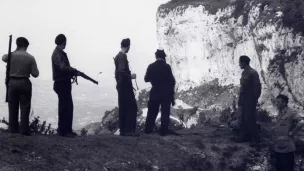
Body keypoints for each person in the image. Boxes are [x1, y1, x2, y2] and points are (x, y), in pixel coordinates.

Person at [2, 37, 39, 135]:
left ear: (17, 45)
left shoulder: (11, 55)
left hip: (12, 83)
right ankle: (24, 131)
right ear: (26, 46)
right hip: (25, 83)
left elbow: (3, 58)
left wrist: (14, 51)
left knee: (12, 107)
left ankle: (13, 130)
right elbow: (35, 74)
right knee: (25, 107)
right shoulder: (30, 57)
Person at [52, 34, 81, 138]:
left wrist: (73, 71)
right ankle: (64, 131)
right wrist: (74, 71)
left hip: (62, 82)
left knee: (66, 106)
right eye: (65, 42)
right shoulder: (58, 54)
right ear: (63, 42)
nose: (66, 44)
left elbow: (64, 68)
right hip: (62, 83)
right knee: (66, 107)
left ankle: (66, 130)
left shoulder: (58, 53)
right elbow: (63, 68)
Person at [144, 49, 176, 136]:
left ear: (156, 56)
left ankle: (148, 130)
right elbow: (172, 81)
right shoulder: (167, 67)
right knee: (165, 113)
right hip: (165, 93)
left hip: (155, 92)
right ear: (163, 57)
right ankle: (163, 131)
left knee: (151, 112)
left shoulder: (151, 66)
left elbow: (146, 79)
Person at [272, 94, 304, 171]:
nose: (277, 104)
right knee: (279, 168)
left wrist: (293, 132)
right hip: (277, 145)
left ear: (284, 103)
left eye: (279, 102)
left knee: (287, 168)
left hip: (287, 147)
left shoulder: (291, 112)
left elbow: (302, 121)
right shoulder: (279, 113)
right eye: (276, 102)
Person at [114, 38, 138, 136]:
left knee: (123, 107)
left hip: (120, 86)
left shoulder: (117, 56)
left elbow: (117, 73)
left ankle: (123, 130)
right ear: (128, 46)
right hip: (125, 86)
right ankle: (129, 131)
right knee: (132, 107)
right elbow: (122, 72)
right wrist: (131, 77)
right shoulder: (123, 57)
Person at [235, 55, 261, 143]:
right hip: (243, 98)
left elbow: (257, 87)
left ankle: (255, 139)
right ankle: (244, 136)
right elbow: (243, 87)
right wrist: (240, 100)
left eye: (240, 62)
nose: (239, 65)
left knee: (250, 119)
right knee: (242, 118)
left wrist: (254, 99)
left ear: (244, 62)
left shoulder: (253, 72)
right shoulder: (244, 72)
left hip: (250, 99)